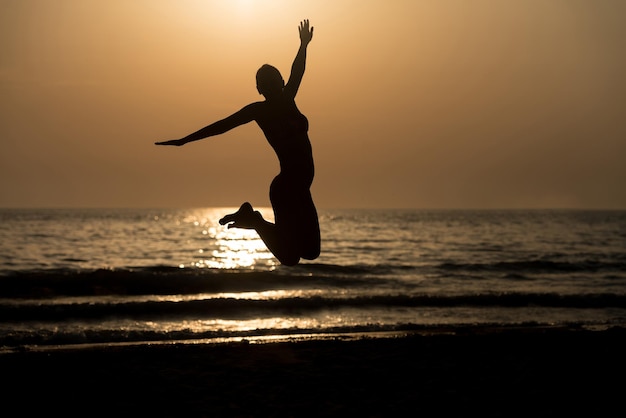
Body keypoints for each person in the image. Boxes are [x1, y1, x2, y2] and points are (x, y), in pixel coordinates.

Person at [156, 20, 319, 266]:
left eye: (275, 80)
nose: (273, 85)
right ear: (260, 88)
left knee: (307, 252)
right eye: (267, 83)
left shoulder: (288, 100)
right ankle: (254, 221)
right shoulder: (261, 110)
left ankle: (254, 220)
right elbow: (222, 125)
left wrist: (303, 45)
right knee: (292, 256)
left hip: (298, 187)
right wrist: (185, 140)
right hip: (287, 188)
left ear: (281, 82)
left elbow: (298, 71)